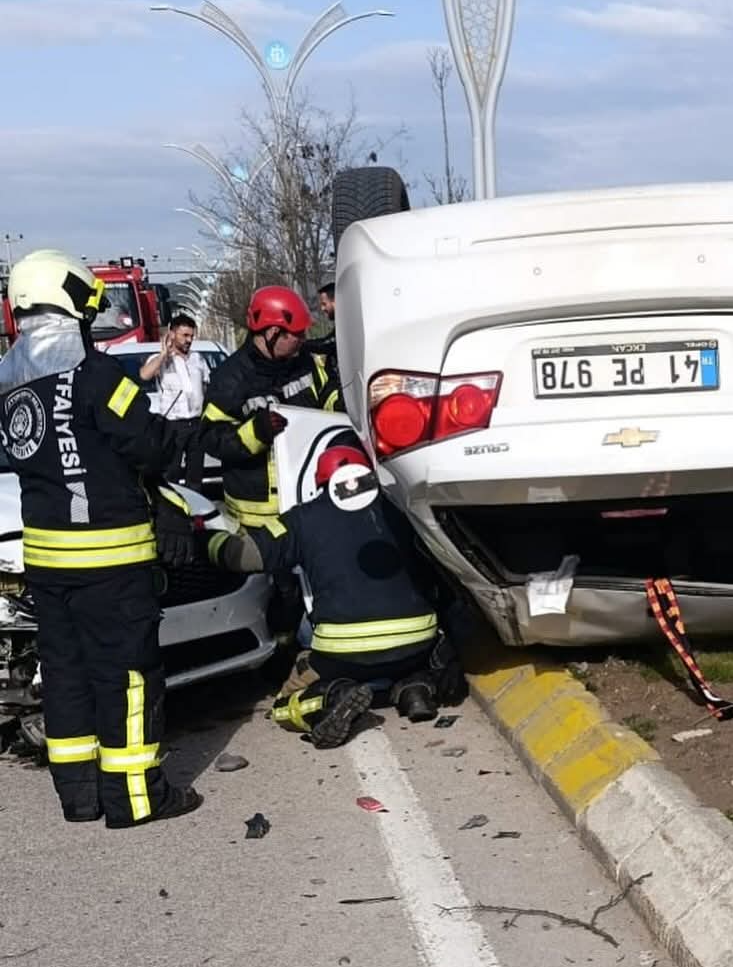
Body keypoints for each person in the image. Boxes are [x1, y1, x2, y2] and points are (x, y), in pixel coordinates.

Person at [0, 249, 202, 826]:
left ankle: (81, 797)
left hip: (47, 566)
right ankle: (137, 798)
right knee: (128, 678)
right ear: (73, 308)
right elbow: (148, 446)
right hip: (112, 564)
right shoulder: (96, 377)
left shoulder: (10, 388)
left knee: (67, 679)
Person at [207, 445, 464, 748]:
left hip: (343, 653)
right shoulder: (400, 507)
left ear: (321, 481)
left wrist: (210, 536)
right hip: (417, 642)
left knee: (283, 708)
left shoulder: (303, 518)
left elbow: (242, 556)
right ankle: (415, 688)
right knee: (408, 661)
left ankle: (332, 697)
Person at [199, 285, 339, 532]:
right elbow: (211, 437)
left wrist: (343, 405)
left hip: (307, 496)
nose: (303, 340)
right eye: (297, 334)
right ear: (274, 333)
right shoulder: (230, 377)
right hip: (257, 514)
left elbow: (327, 394)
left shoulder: (304, 363)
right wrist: (255, 433)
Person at [138, 313, 209, 490]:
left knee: (195, 474)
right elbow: (144, 375)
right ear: (172, 334)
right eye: (184, 335)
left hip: (196, 423)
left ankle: (195, 504)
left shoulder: (197, 359)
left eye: (191, 336)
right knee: (171, 473)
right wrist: (163, 354)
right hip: (173, 425)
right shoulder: (161, 359)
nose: (189, 340)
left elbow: (206, 386)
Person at [307, 281, 337, 386]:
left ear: (335, 301)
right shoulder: (341, 323)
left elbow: (327, 344)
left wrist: (302, 345)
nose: (322, 309)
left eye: (324, 304)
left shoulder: (348, 322)